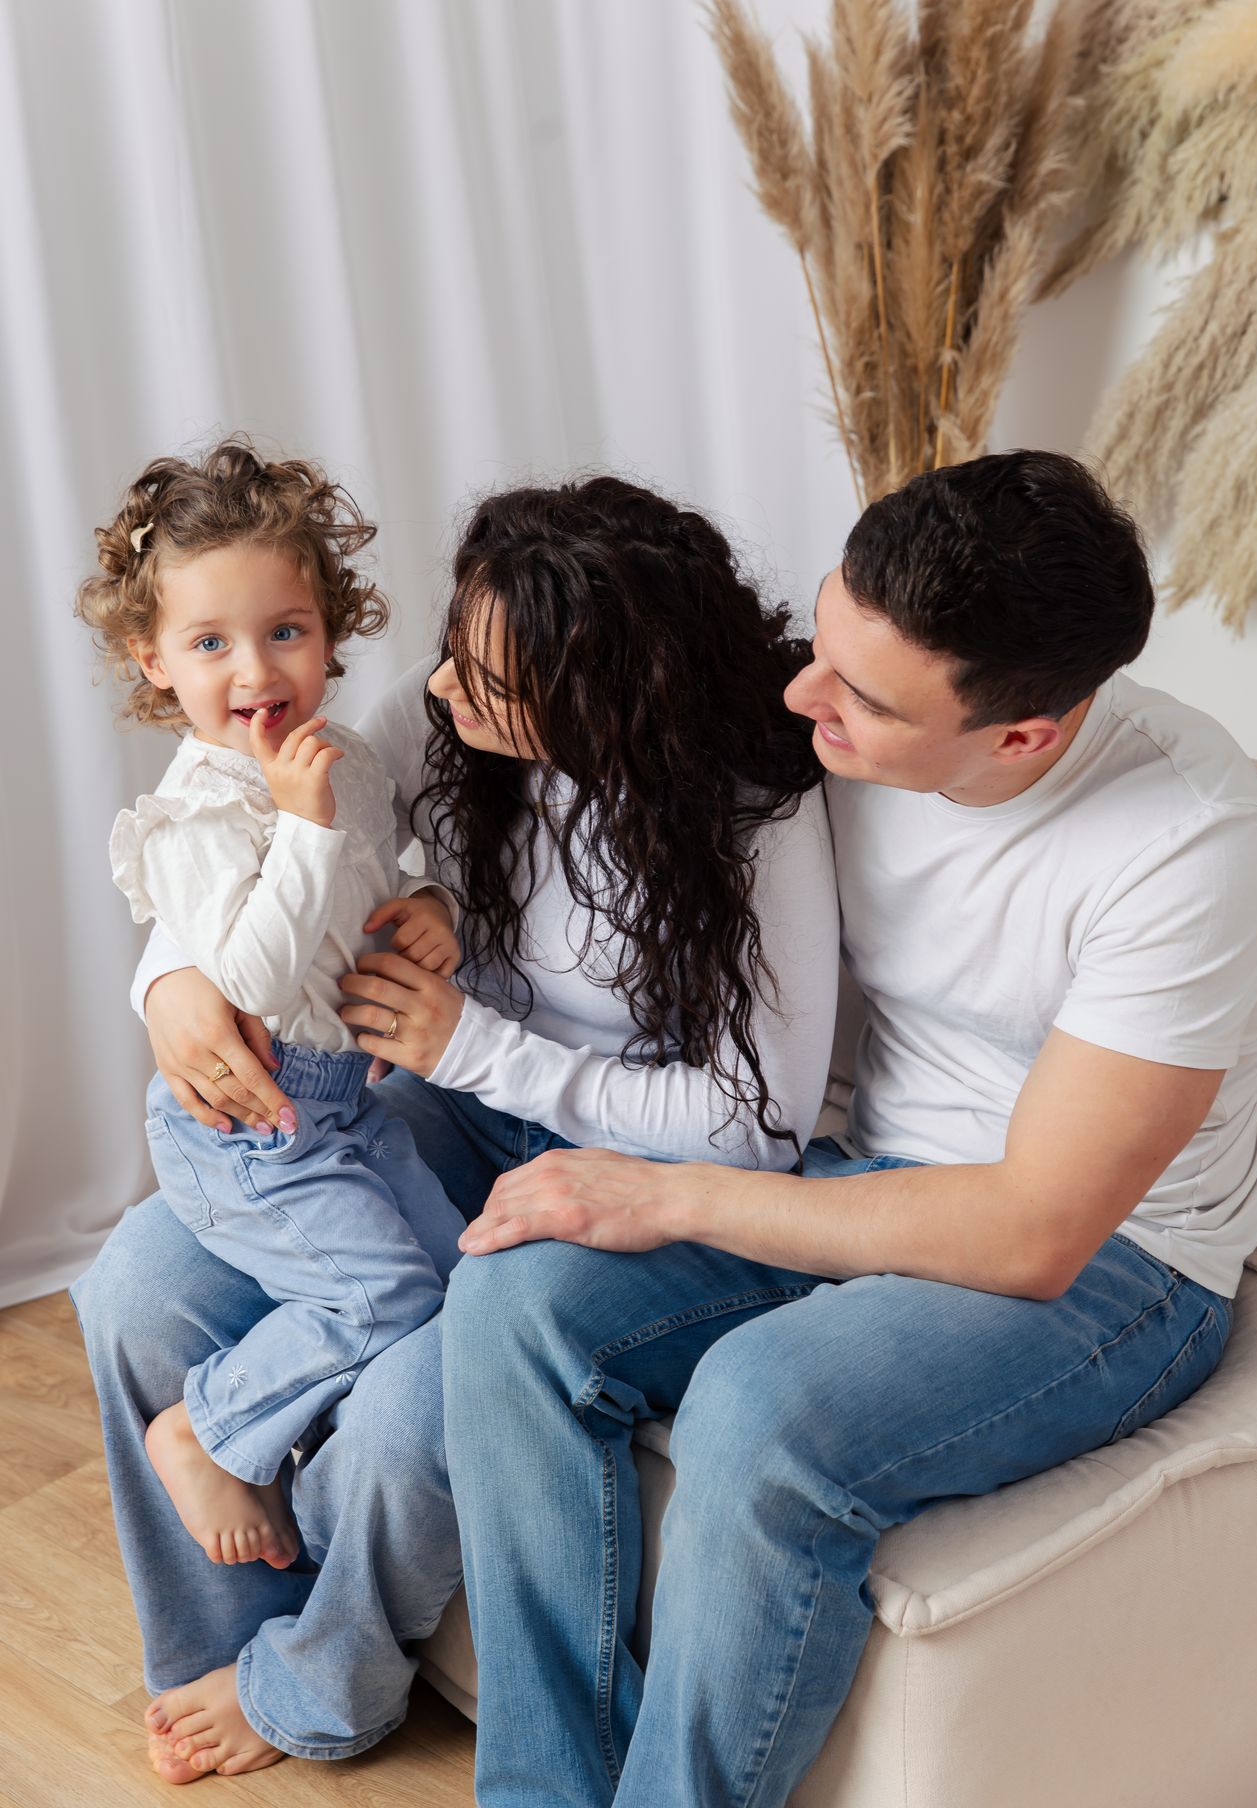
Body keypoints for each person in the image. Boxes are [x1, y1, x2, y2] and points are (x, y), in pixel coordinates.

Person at [439, 450, 1257, 1807]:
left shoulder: (1189, 844)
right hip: (868, 1167)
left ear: (1023, 737)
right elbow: (533, 700)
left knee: (758, 1406)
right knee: (513, 1304)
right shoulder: (827, 709)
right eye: (824, 643)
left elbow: (1032, 1231)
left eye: (862, 697)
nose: (799, 696)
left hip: (1117, 1266)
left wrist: (668, 1194)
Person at [71, 472, 839, 1781]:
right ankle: (232, 1638)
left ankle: (325, 1681)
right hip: (437, 1112)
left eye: (486, 679)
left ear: (602, 701)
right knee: (139, 1279)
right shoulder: (442, 726)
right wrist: (169, 983)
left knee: (414, 1390)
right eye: (450, 652)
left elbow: (755, 1122)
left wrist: (472, 1043)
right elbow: (262, 850)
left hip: (625, 1167)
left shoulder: (748, 812)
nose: (438, 691)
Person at [74, 438, 467, 1581]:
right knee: (383, 1297)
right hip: (252, 1128)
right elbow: (250, 977)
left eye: (284, 630)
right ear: (153, 661)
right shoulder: (192, 815)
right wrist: (300, 825)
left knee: (455, 1280)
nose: (255, 669)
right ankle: (206, 1431)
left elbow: (380, 882)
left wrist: (429, 906)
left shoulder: (349, 758)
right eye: (210, 643)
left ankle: (322, 1476)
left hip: (350, 1104)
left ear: (330, 631)